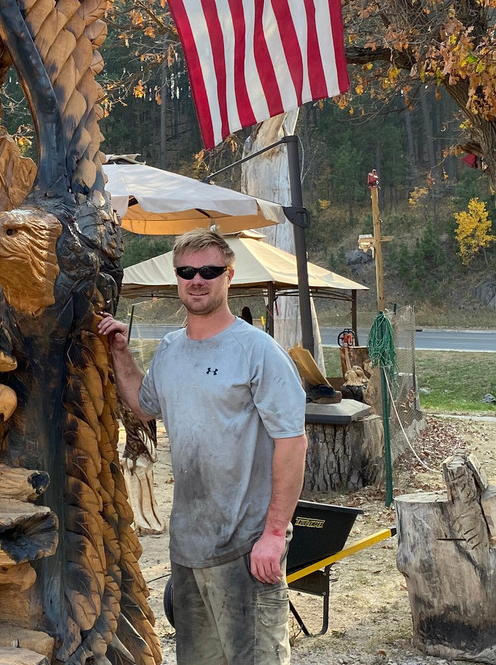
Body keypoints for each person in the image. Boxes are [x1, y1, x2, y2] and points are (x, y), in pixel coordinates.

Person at [98, 228, 308, 665]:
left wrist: (273, 534)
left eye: (209, 271)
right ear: (177, 277)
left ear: (229, 276)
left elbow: (292, 442)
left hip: (246, 549)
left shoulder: (258, 352)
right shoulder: (171, 350)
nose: (198, 279)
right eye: (187, 271)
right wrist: (120, 351)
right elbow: (142, 405)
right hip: (189, 549)